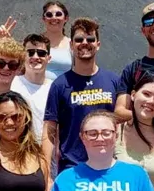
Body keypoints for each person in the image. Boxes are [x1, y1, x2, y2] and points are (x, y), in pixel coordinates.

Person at [43, 17, 123, 174]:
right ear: (71, 45)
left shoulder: (114, 81)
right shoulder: (59, 85)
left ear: (98, 45)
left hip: (109, 168)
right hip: (72, 169)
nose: (85, 43)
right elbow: (49, 130)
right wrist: (46, 174)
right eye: (79, 39)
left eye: (90, 39)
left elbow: (121, 125)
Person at [10, 34, 53, 142]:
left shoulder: (55, 88)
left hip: (47, 154)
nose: (35, 57)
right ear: (23, 56)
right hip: (17, 151)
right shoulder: (11, 83)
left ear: (49, 58)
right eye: (30, 52)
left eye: (41, 53)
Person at [42, 1, 74, 81]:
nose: (54, 17)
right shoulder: (33, 42)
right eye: (49, 15)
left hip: (65, 91)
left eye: (58, 14)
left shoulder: (72, 44)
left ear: (66, 18)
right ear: (43, 19)